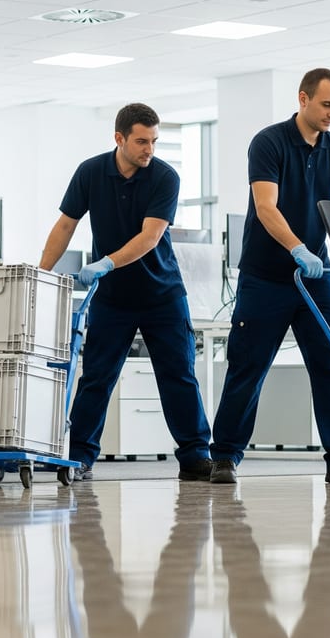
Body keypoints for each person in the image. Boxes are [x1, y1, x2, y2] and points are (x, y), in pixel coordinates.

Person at [209, 69, 330, 485]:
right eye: (326, 104)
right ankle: (225, 456)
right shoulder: (269, 142)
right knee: (248, 366)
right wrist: (297, 248)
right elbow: (266, 207)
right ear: (303, 99)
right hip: (265, 277)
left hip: (315, 279)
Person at [39, 103, 212, 482]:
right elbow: (66, 225)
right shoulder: (90, 172)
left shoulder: (164, 177)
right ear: (119, 138)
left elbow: (150, 237)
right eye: (141, 141)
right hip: (112, 299)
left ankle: (196, 456)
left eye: (154, 141)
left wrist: (106, 262)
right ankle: (80, 457)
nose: (149, 149)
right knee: (96, 377)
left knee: (178, 375)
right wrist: (41, 275)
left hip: (162, 295)